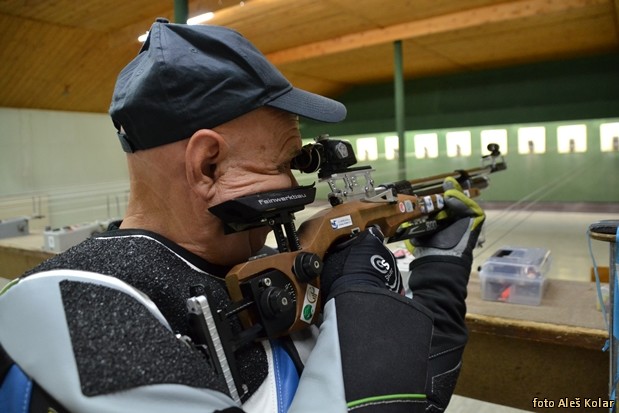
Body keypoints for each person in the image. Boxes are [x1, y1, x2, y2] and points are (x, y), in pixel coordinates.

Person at [0, 19, 485, 413]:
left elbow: (412, 395)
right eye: (282, 164)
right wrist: (365, 304)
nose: (296, 187)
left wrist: (440, 272)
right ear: (206, 166)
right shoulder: (69, 312)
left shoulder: (262, 273)